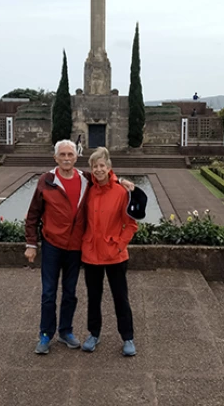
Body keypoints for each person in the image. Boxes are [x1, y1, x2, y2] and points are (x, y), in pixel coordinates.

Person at [24, 140, 133, 355]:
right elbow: (33, 214)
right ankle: (46, 335)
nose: (66, 158)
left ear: (76, 157)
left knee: (71, 293)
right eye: (62, 155)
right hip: (55, 245)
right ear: (55, 158)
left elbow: (106, 178)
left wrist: (121, 180)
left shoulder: (85, 179)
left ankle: (66, 331)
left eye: (70, 155)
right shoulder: (47, 180)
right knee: (49, 293)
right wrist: (31, 244)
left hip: (76, 248)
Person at [80, 147, 139, 357]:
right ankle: (93, 334)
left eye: (102, 166)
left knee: (120, 297)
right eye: (95, 166)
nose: (98, 170)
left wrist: (120, 245)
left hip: (114, 253)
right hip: (91, 252)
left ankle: (128, 337)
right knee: (94, 297)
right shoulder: (87, 189)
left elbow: (131, 224)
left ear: (109, 167)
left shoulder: (121, 192)